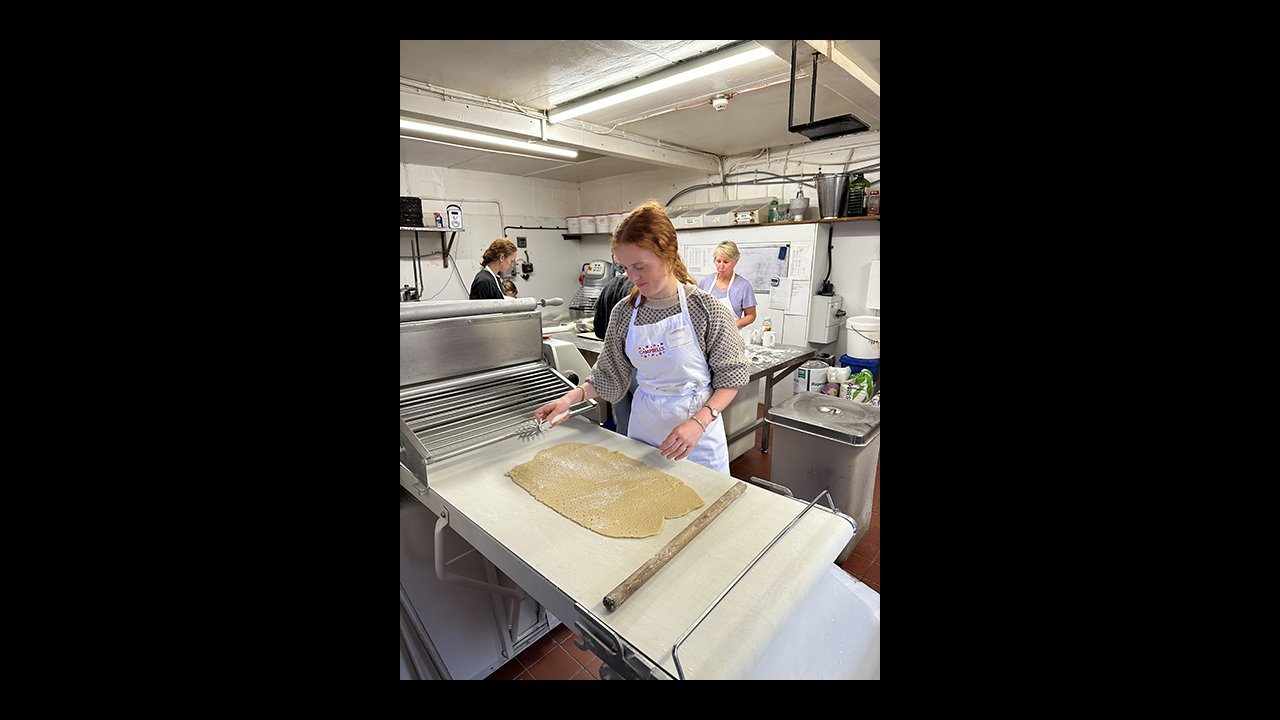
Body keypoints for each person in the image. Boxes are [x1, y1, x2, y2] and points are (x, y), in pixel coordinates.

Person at [535, 201, 748, 473]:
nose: (632, 277)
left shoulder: (707, 309)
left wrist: (699, 423)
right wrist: (569, 399)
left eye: (640, 266)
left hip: (698, 434)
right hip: (645, 429)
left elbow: (731, 378)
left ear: (669, 256)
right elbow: (608, 374)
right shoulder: (624, 313)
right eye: (625, 268)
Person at [593, 266, 637, 435]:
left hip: (615, 365)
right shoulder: (639, 291)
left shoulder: (610, 285)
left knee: (623, 422)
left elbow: (598, 329)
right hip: (636, 368)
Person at [697, 241, 757, 329]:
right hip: (707, 335)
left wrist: (734, 325)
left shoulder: (744, 286)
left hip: (731, 336)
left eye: (726, 262)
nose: (721, 266)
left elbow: (751, 315)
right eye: (718, 261)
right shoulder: (705, 282)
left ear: (735, 261)